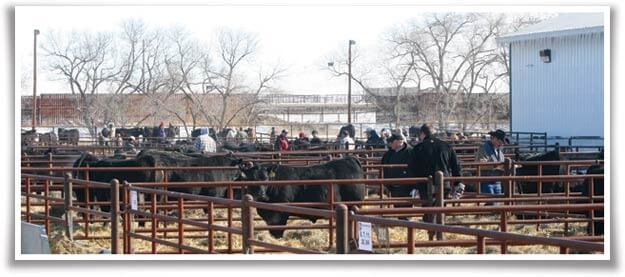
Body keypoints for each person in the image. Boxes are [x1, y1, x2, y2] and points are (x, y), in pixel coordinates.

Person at [409, 123, 464, 224]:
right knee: (440, 207)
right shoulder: (446, 146)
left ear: (422, 134)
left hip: (425, 183)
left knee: (428, 208)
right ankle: (439, 228)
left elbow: (413, 168)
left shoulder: (418, 148)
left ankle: (431, 228)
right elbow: (456, 165)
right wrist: (458, 182)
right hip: (444, 183)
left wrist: (415, 186)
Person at [381, 133, 414, 218]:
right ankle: (401, 220)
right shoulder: (389, 153)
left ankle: (406, 222)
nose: (390, 144)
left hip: (406, 185)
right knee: (397, 204)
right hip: (393, 184)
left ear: (399, 142)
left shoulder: (410, 152)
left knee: (406, 205)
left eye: (392, 142)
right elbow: (384, 165)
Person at [476, 129, 507, 205]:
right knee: (493, 203)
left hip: (496, 180)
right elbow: (480, 163)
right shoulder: (484, 148)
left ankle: (486, 214)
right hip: (487, 180)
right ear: (494, 139)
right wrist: (495, 165)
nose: (501, 144)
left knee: (496, 203)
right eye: (500, 141)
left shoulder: (499, 151)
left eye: (502, 142)